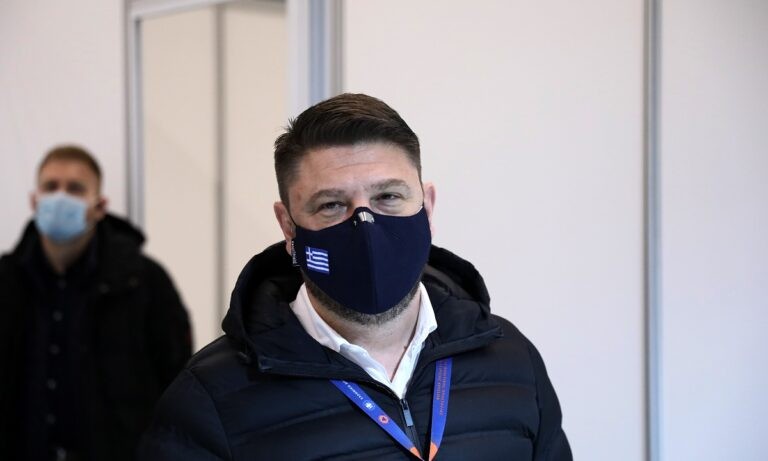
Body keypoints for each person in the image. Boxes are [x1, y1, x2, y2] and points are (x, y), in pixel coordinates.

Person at [139, 93, 572, 460]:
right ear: (289, 227)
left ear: (427, 207)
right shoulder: (210, 400)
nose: (365, 227)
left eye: (388, 196)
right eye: (331, 205)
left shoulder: (511, 361)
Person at [0, 145, 192, 461]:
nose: (60, 197)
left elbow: (177, 385)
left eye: (75, 188)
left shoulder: (144, 282)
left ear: (100, 206)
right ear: (35, 201)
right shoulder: (7, 281)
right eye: (51, 186)